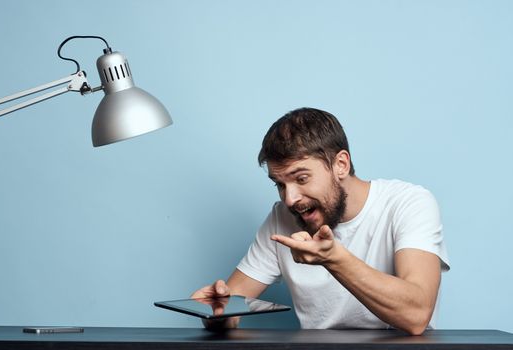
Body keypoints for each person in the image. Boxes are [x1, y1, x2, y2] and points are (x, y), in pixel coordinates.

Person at [192, 107, 450, 335]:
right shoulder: (281, 218)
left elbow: (416, 315)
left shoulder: (409, 203)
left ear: (341, 164)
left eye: (301, 179)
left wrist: (334, 259)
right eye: (280, 184)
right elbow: (230, 309)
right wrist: (217, 313)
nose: (290, 199)